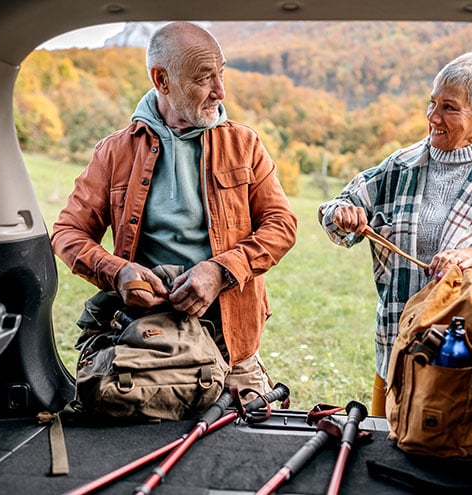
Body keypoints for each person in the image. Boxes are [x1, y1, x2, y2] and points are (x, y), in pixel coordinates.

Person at [52, 21, 297, 396]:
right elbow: (68, 233)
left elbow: (281, 225)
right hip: (149, 343)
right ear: (161, 80)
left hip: (233, 348)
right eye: (204, 78)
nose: (220, 90)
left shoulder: (245, 144)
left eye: (221, 73)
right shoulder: (114, 152)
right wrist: (118, 273)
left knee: (248, 442)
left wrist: (220, 270)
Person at [318, 48, 472, 416]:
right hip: (398, 354)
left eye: (449, 107)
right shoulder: (400, 166)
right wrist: (343, 215)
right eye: (432, 103)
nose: (433, 116)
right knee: (387, 457)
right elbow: (332, 209)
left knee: (467, 466)